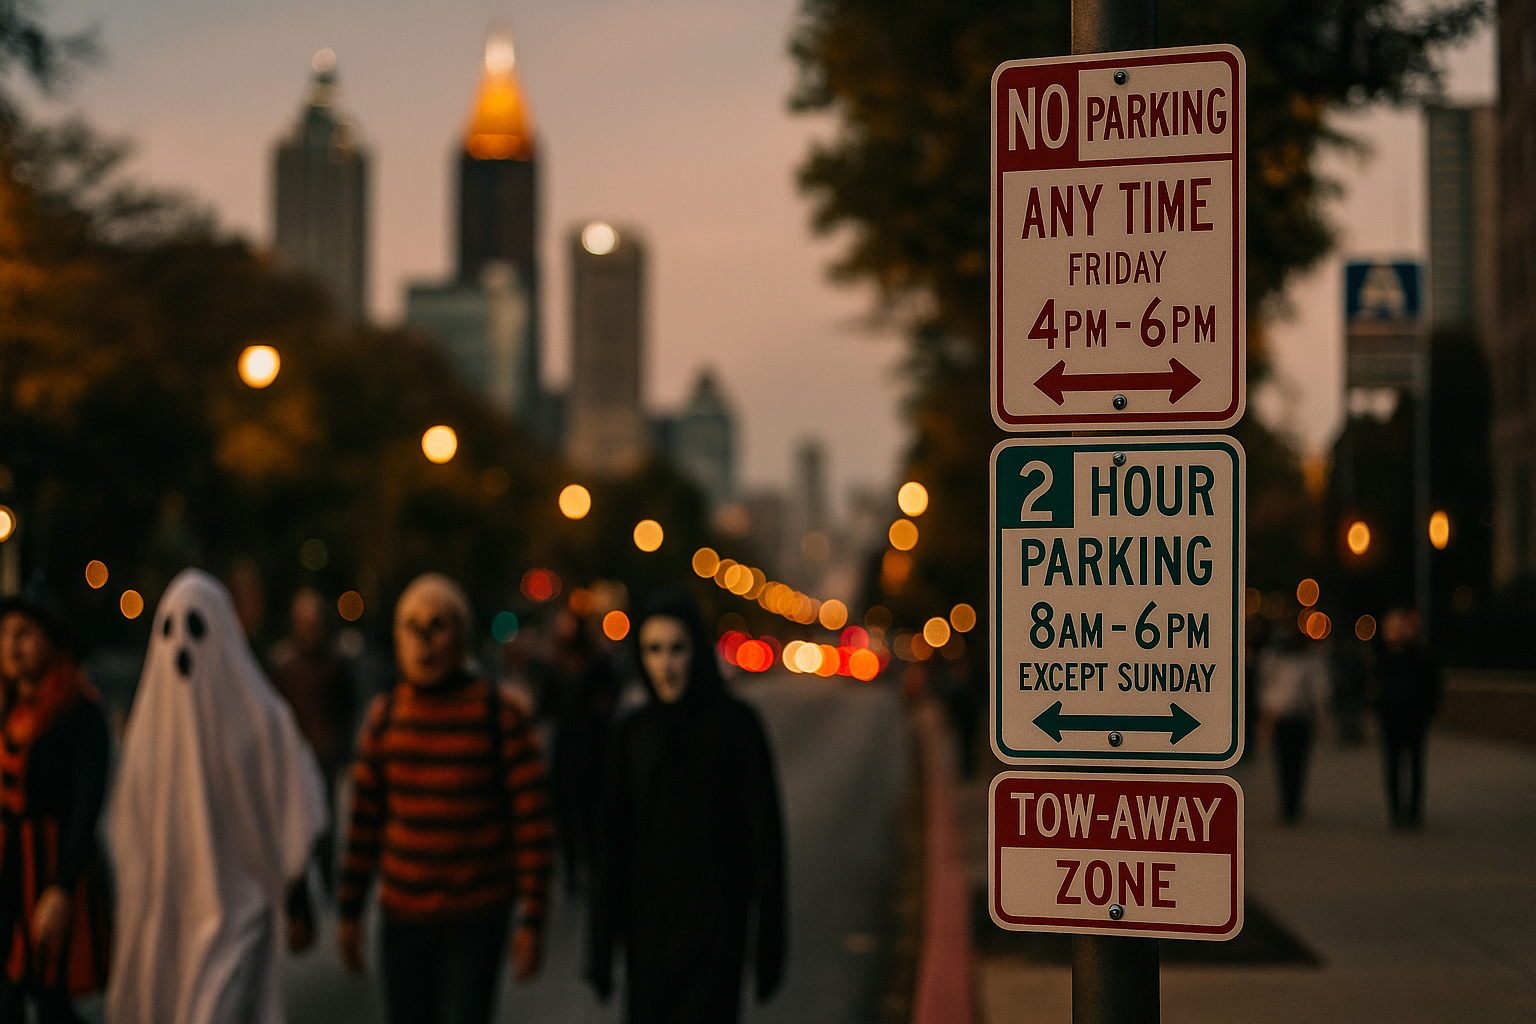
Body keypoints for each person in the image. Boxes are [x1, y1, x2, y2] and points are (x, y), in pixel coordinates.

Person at [108, 568, 328, 1024]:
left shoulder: (263, 723)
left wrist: (298, 894)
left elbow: (293, 805)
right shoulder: (148, 737)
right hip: (170, 912)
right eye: (169, 629)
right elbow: (128, 826)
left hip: (240, 908)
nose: (182, 647)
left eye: (196, 628)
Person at [337, 573, 552, 1024]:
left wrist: (533, 919)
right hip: (403, 918)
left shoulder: (500, 716)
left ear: (462, 634)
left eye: (438, 625)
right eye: (411, 627)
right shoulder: (385, 717)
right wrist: (350, 911)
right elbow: (364, 823)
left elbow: (532, 823)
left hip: (475, 918)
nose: (425, 641)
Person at [586, 589, 787, 1024]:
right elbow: (613, 844)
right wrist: (600, 947)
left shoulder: (736, 726)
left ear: (697, 649)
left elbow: (765, 840)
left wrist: (769, 946)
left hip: (717, 932)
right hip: (649, 933)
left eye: (677, 649)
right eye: (654, 650)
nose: (667, 665)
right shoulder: (631, 733)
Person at [0, 583, 110, 1024]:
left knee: (51, 995)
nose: (11, 646)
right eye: (4, 634)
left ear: (53, 640)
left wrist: (62, 884)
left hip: (49, 871)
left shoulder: (80, 713)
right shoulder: (7, 706)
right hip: (7, 873)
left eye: (24, 633)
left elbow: (87, 803)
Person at [271, 588, 355, 892]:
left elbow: (347, 709)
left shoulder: (336, 664)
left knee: (325, 827)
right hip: (296, 757)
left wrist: (342, 750)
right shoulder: (286, 665)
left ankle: (329, 885)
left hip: (325, 755)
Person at [1371, 608, 1441, 827]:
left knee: (1410, 765)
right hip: (1394, 719)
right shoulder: (1385, 658)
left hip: (1411, 718)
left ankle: (1410, 813)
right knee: (1396, 766)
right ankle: (1399, 812)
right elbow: (1375, 689)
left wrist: (1427, 712)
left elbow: (1432, 686)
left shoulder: (1416, 657)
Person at [1256, 619, 1331, 823]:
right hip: (1284, 719)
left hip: (1300, 719)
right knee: (1286, 763)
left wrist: (1321, 717)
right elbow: (1266, 689)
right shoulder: (1274, 659)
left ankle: (1292, 804)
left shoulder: (1310, 660)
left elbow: (1319, 691)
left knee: (1296, 763)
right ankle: (1288, 804)